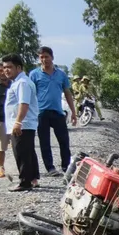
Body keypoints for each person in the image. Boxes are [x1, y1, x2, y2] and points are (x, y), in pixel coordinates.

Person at [28, 46, 77, 175]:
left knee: (64, 141)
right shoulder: (34, 74)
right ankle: (50, 168)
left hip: (58, 112)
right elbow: (30, 95)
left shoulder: (61, 74)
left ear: (52, 57)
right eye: (41, 57)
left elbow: (67, 93)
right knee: (45, 142)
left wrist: (73, 112)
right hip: (41, 113)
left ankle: (66, 167)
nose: (44, 60)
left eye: (46, 57)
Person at [1, 54, 40, 192]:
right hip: (24, 123)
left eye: (9, 67)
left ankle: (25, 182)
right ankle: (33, 179)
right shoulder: (18, 82)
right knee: (28, 152)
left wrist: (18, 122)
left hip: (22, 124)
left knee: (21, 153)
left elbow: (24, 103)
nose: (6, 70)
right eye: (4, 67)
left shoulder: (22, 83)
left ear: (19, 67)